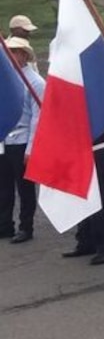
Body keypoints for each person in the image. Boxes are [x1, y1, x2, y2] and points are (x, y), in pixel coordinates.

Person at [0, 37, 45, 243]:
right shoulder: (5, 78)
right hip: (4, 138)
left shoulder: (35, 81)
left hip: (22, 138)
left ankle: (26, 226)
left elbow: (38, 117)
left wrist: (31, 147)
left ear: (24, 55)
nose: (10, 56)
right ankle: (4, 224)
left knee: (24, 187)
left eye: (14, 52)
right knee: (4, 185)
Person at [62, 125, 104, 265]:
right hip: (82, 145)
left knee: (101, 199)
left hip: (102, 145)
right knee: (83, 196)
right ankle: (86, 241)